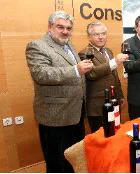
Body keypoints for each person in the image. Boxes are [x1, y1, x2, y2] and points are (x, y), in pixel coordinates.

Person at [25, 11, 93, 172]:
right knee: (57, 162)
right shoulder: (37, 46)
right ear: (50, 27)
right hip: (55, 116)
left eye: (69, 28)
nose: (65, 31)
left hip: (75, 114)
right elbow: (42, 74)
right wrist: (76, 70)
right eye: (60, 27)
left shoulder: (69, 45)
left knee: (72, 157)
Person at [78, 21, 128, 132]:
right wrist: (114, 61)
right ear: (89, 37)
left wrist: (120, 96)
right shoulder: (84, 53)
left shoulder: (108, 51)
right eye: (96, 34)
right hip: (97, 107)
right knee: (101, 139)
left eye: (103, 33)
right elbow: (91, 73)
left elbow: (114, 76)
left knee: (114, 134)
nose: (101, 37)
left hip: (114, 102)